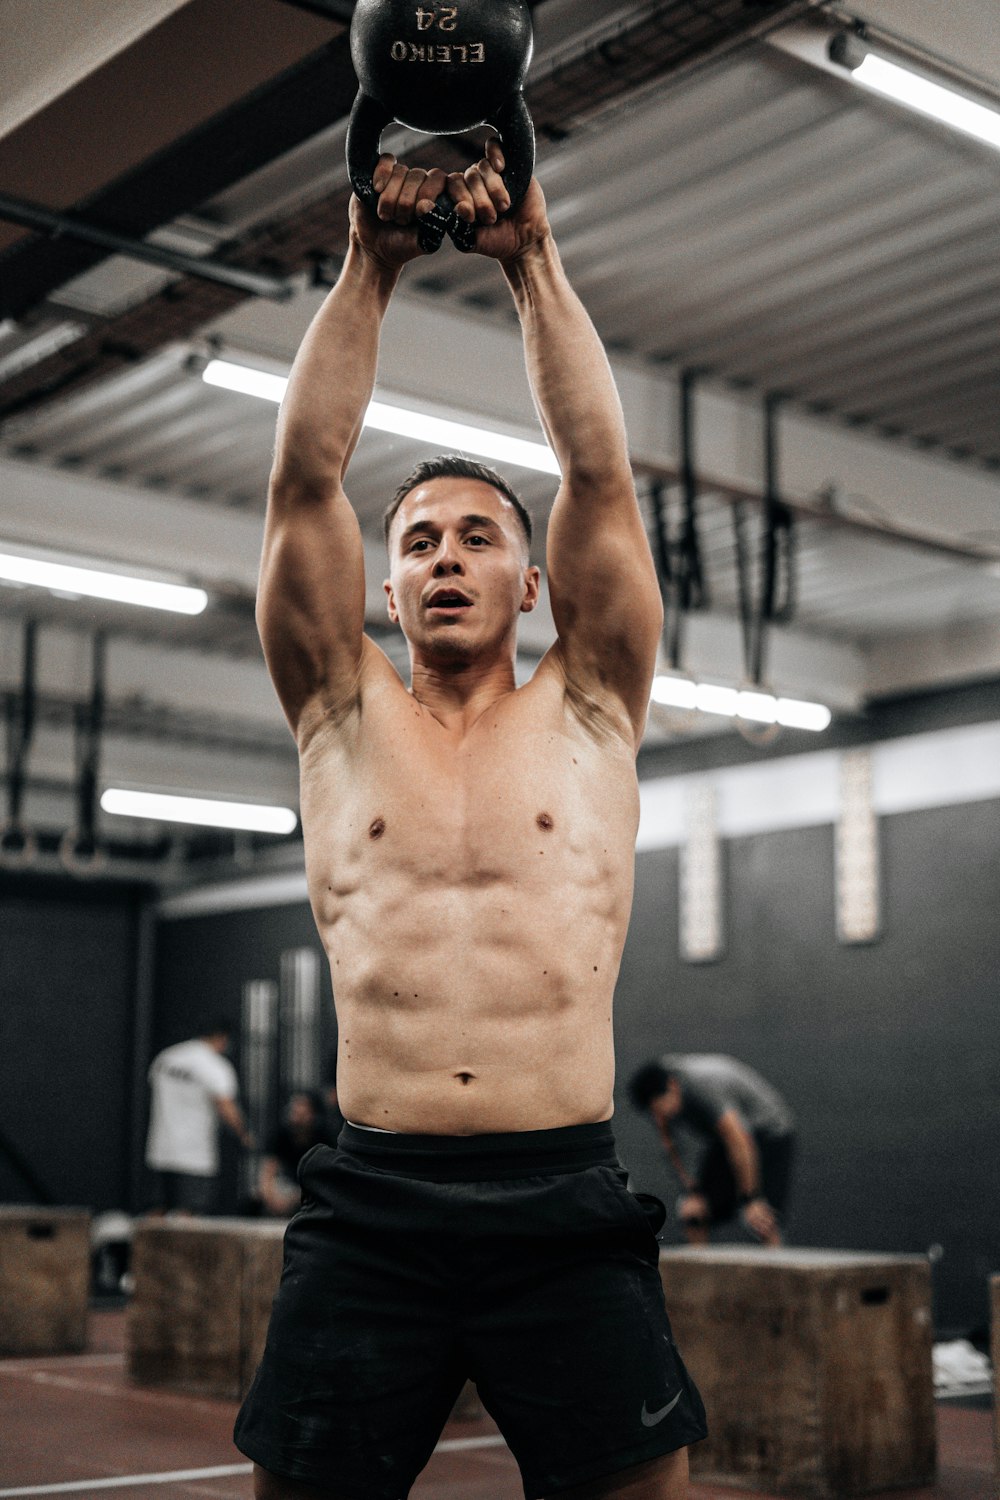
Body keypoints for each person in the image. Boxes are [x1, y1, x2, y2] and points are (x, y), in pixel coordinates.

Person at [234, 142, 707, 1500]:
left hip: (563, 1200)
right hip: (370, 1206)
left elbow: (601, 480)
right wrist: (370, 264)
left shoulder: (594, 708)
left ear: (538, 584)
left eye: (478, 537)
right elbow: (302, 485)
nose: (446, 557)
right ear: (385, 594)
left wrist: (534, 266)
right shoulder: (336, 710)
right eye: (422, 543)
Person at [628, 1055, 796, 1248]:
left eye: (661, 1110)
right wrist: (692, 1191)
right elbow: (672, 1147)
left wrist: (751, 1197)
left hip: (769, 1133)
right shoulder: (661, 1092)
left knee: (761, 1217)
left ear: (673, 1086)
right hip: (726, 1140)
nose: (661, 1119)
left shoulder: (703, 1086)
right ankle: (698, 1273)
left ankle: (776, 1268)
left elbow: (740, 1140)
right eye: (655, 1114)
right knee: (693, 1213)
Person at [145, 1019, 253, 1215]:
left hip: (159, 1151)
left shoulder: (166, 1057)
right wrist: (244, 1134)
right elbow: (226, 1106)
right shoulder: (215, 1066)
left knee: (157, 1212)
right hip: (195, 1156)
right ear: (223, 1039)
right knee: (189, 1215)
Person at [258, 1091, 337, 1217]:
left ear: (313, 1114)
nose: (298, 1115)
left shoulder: (323, 1137)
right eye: (294, 1110)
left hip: (312, 1191)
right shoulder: (281, 1135)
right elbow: (268, 1171)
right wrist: (270, 1198)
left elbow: (329, 1176)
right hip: (286, 1187)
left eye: (303, 1111)